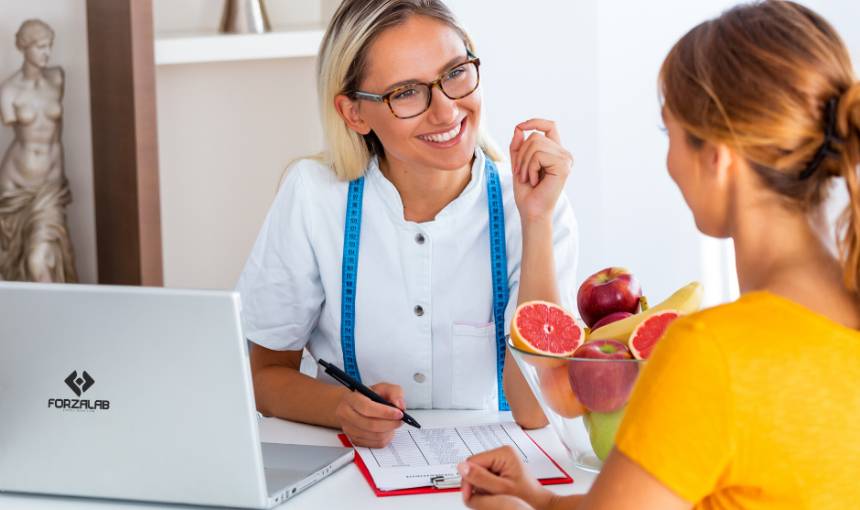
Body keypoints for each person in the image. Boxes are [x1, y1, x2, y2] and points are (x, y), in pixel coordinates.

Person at [456, 2, 860, 508]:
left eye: (670, 133)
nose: (669, 160)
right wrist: (543, 501)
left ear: (718, 158)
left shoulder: (711, 354)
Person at [236, 0, 578, 448]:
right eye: (407, 93)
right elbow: (266, 374)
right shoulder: (313, 196)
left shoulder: (535, 200)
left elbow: (535, 408)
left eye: (456, 73)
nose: (445, 112)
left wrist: (535, 221)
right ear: (355, 113)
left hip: (501, 472)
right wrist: (340, 409)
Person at [0, 19, 77, 283]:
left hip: (49, 188)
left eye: (49, 47)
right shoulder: (8, 91)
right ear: (24, 48)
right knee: (17, 262)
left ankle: (55, 318)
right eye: (41, 47)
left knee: (38, 259)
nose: (47, 53)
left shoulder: (57, 78)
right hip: (15, 189)